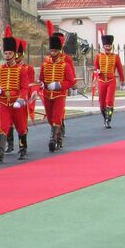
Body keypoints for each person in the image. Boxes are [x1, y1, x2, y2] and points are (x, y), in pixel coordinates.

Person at [0, 29, 34, 162]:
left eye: (10, 53)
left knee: (21, 127)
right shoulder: (0, 69)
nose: (7, 55)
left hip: (17, 102)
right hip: (4, 102)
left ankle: (23, 149)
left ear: (14, 54)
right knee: (3, 127)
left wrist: (20, 100)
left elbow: (25, 87)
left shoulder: (22, 70)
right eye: (5, 53)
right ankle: (0, 153)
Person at [38, 22, 77, 151]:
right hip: (47, 94)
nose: (53, 52)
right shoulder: (45, 63)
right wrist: (42, 83)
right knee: (50, 118)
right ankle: (58, 136)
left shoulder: (66, 62)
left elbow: (71, 80)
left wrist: (59, 85)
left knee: (56, 116)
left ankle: (53, 139)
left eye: (55, 50)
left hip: (60, 94)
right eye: (51, 50)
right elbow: (42, 78)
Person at [91, 35, 125, 128]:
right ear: (103, 47)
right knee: (102, 103)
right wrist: (97, 71)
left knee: (109, 101)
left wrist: (122, 80)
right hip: (101, 80)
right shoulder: (98, 56)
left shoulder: (116, 57)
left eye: (109, 46)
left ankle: (108, 119)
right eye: (106, 46)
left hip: (111, 80)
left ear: (111, 46)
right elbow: (96, 67)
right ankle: (105, 117)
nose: (108, 48)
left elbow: (120, 69)